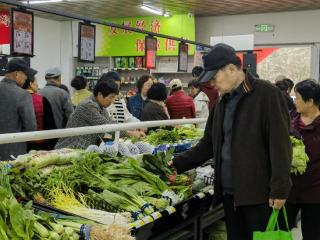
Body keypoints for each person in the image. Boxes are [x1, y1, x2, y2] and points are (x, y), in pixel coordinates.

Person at [170, 43, 292, 240]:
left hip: (258, 195)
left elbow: (280, 146)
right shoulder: (221, 102)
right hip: (229, 195)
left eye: (214, 78)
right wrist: (177, 163)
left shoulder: (267, 95)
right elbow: (209, 144)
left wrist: (280, 189)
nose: (212, 84)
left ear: (231, 69)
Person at [283, 79, 320, 240]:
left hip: (315, 192)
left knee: (313, 233)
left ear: (310, 101)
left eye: (297, 97)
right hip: (289, 190)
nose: (294, 100)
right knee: (282, 231)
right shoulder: (290, 121)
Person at [55, 80, 119, 149]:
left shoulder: (101, 107)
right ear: (100, 94)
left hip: (82, 150)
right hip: (69, 149)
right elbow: (106, 125)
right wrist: (128, 132)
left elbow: (109, 123)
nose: (112, 101)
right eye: (111, 97)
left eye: (114, 98)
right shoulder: (88, 105)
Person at [0, 58, 37, 161]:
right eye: (25, 74)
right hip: (13, 153)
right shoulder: (23, 95)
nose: (26, 78)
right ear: (16, 74)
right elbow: (31, 128)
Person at [101, 72, 145, 139]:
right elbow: (107, 125)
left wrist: (140, 125)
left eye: (118, 87)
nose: (117, 90)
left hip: (120, 138)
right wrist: (131, 133)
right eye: (115, 86)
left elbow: (127, 117)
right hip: (106, 140)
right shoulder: (102, 101)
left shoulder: (120, 100)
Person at [22, 70, 57, 151]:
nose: (37, 85)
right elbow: (50, 125)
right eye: (36, 82)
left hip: (21, 142)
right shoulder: (42, 100)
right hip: (41, 144)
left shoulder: (16, 99)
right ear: (30, 84)